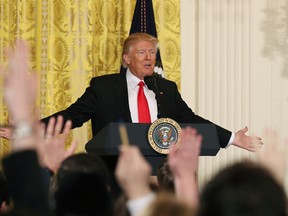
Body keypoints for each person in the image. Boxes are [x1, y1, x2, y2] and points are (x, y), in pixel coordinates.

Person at [0, 33, 262, 153]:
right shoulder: (103, 88)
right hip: (114, 178)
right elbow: (72, 117)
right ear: (126, 58)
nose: (149, 58)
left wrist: (230, 139)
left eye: (152, 53)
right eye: (142, 52)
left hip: (159, 177)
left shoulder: (166, 89)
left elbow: (189, 118)